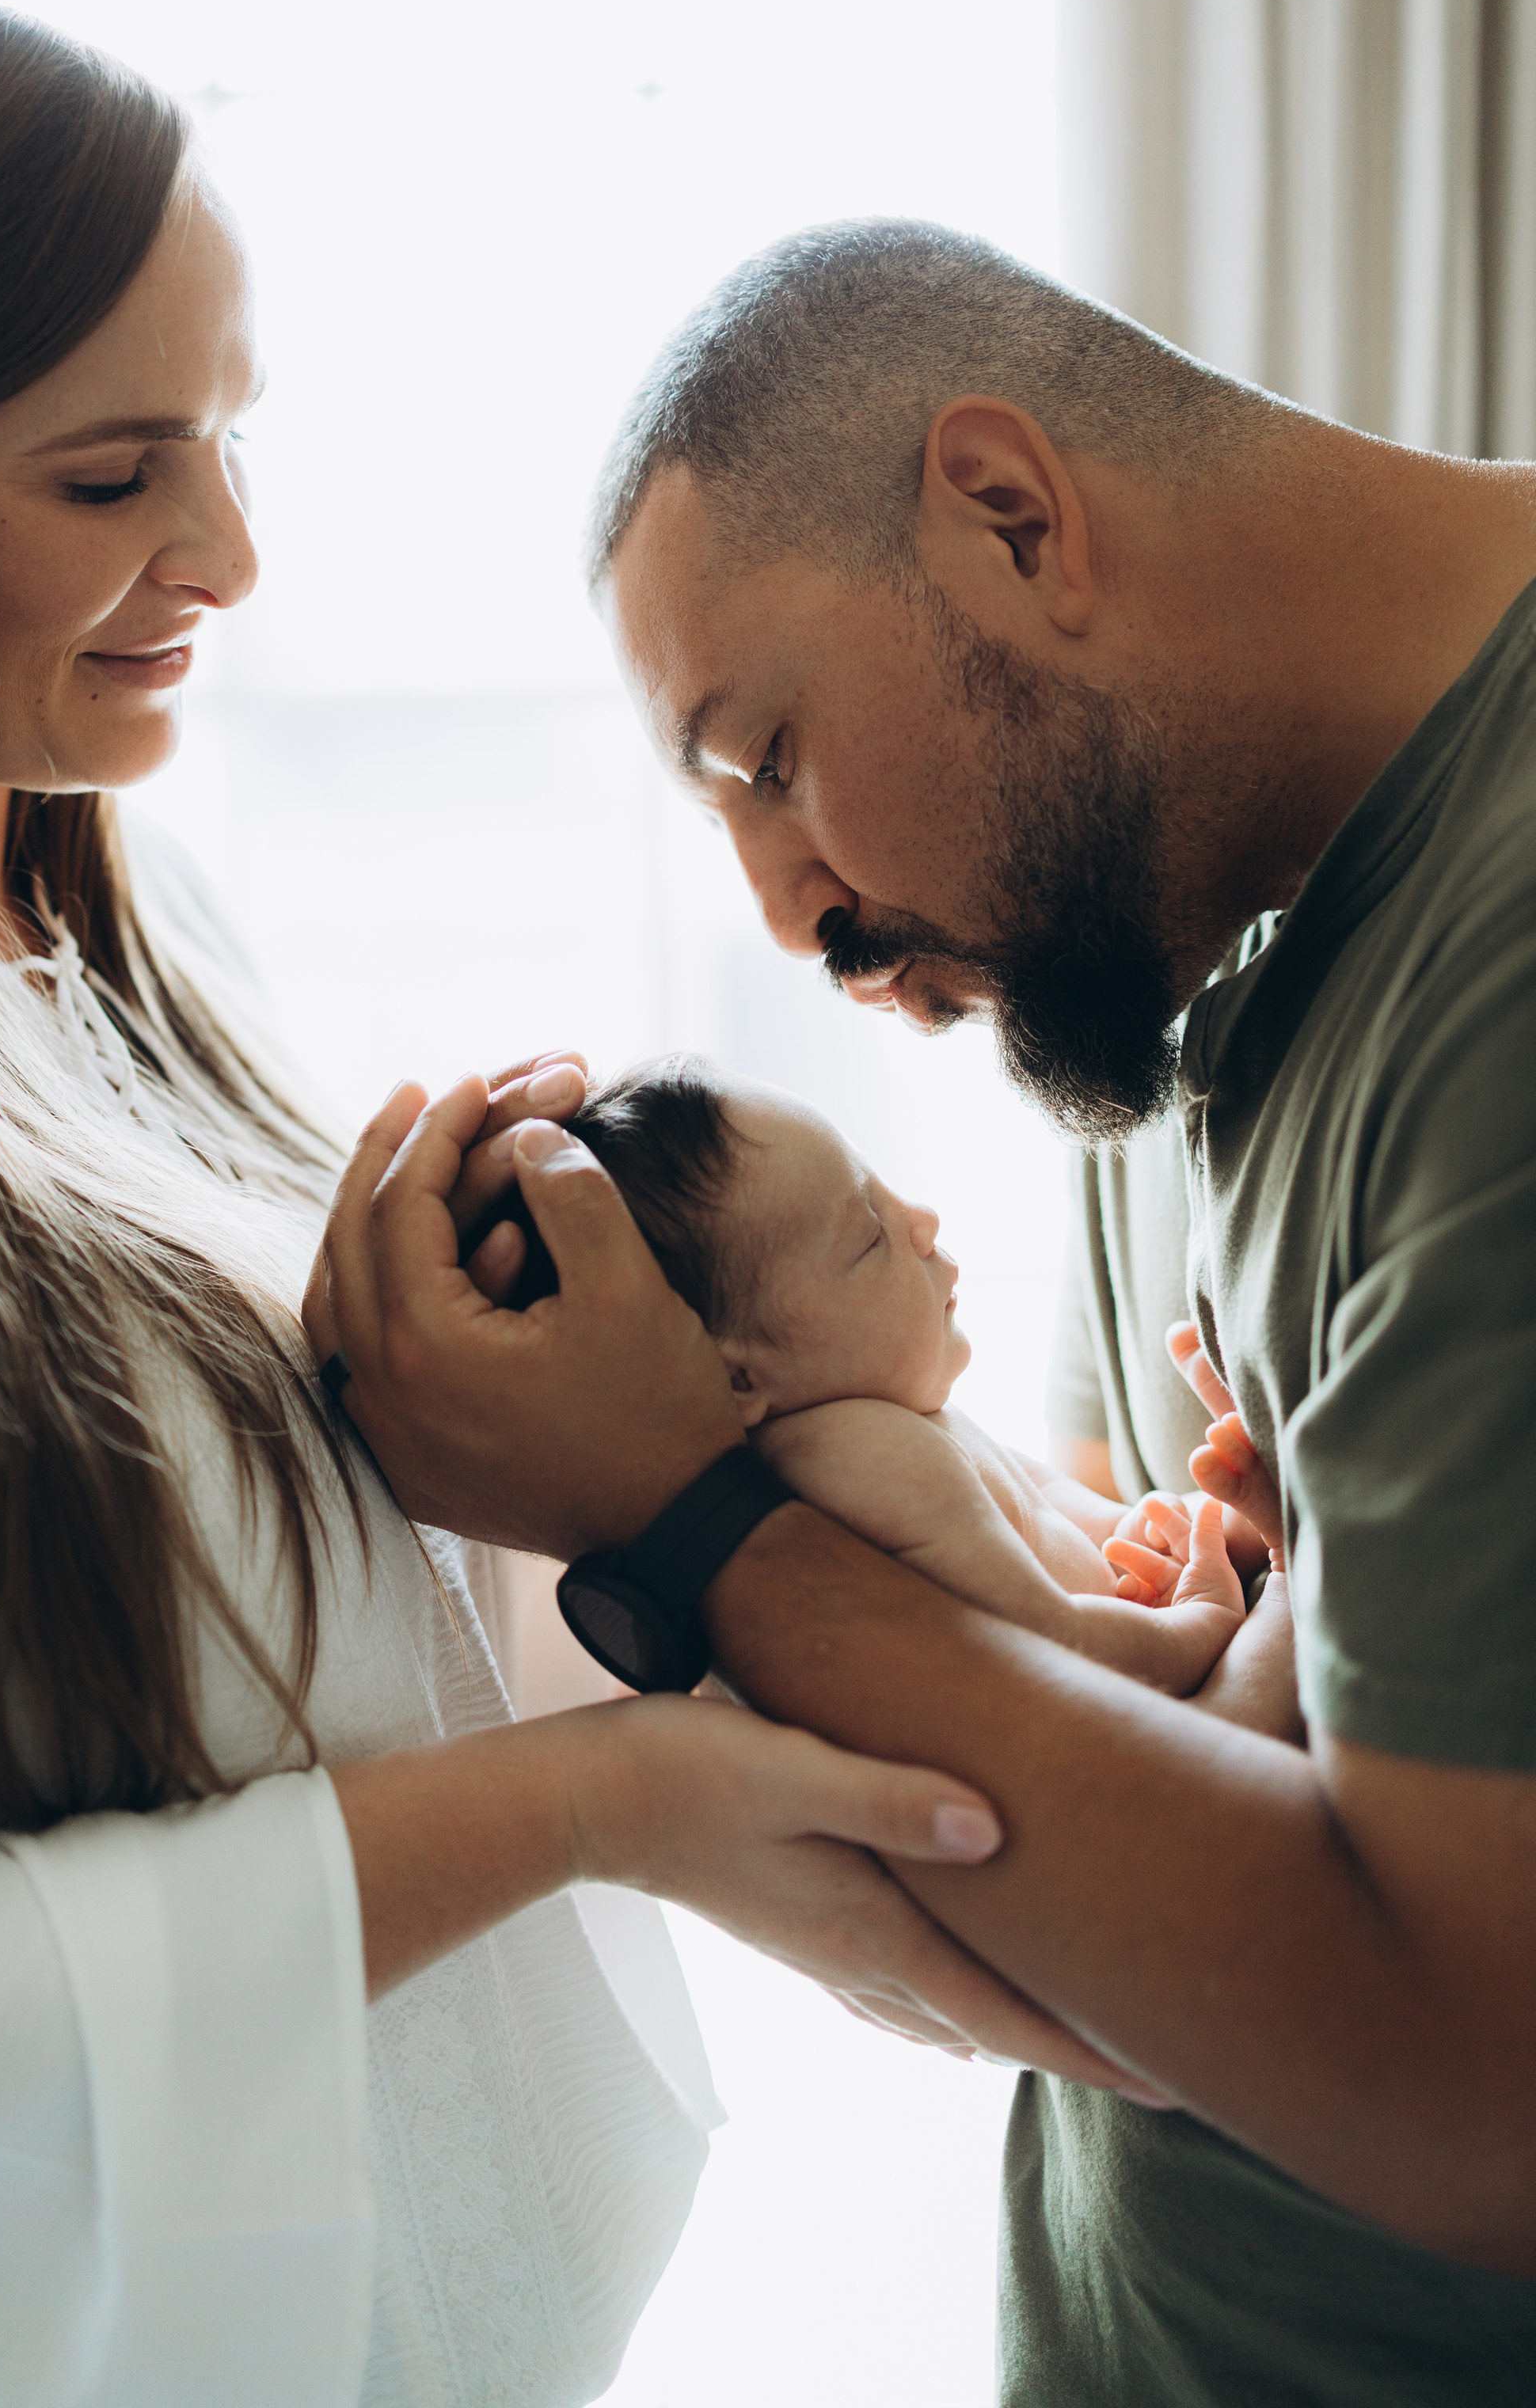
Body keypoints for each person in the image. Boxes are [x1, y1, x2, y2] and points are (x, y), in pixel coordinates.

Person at [0, 11, 1032, 2408]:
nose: (227, 554)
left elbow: (319, 1647)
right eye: (114, 471)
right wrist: (602, 1802)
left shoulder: (124, 918)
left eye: (222, 438)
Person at [315, 219, 1536, 2407]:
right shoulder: (1172, 956)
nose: (792, 916)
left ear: (1012, 515)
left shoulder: (1498, 977)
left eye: (768, 754)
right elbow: (1074, 1753)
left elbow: (1476, 2090)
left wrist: (690, 1519)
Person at [480, 1057, 1253, 1690]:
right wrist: (1207, 1615)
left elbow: (1050, 1505)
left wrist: (1185, 1525)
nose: (922, 1222)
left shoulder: (904, 1422)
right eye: (867, 1238)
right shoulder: (854, 1459)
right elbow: (1058, 1651)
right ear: (738, 1382)